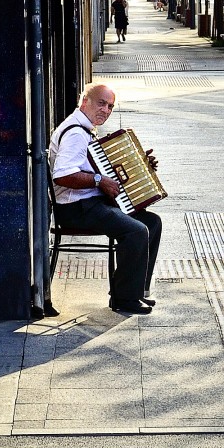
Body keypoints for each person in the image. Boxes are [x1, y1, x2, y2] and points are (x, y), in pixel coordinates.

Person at [48, 82, 162, 315]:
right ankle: (124, 299)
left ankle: (134, 291)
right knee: (136, 231)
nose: (106, 110)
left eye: (110, 106)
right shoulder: (75, 134)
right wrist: (99, 181)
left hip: (90, 203)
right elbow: (62, 175)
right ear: (84, 102)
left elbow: (99, 168)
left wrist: (140, 166)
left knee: (152, 222)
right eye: (101, 103)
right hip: (76, 208)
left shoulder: (86, 129)